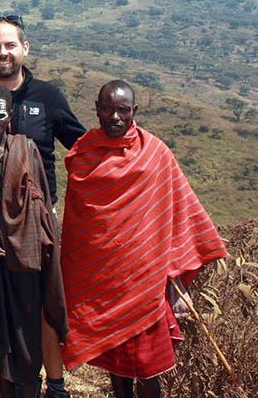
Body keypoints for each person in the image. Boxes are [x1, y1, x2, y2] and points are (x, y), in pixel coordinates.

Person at [61, 80, 227, 398]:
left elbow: (181, 208)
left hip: (145, 283)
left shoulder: (155, 153)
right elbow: (79, 228)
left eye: (123, 110)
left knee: (148, 368)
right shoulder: (84, 154)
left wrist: (175, 265)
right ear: (97, 109)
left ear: (134, 111)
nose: (115, 117)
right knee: (116, 362)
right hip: (103, 284)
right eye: (108, 109)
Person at [0, 14, 83, 398]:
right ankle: (7, 377)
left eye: (10, 45)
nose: (3, 52)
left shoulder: (48, 96)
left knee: (41, 302)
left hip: (35, 224)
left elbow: (81, 147)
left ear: (25, 47)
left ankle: (53, 382)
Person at [0, 84, 67, 398]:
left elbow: (37, 210)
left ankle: (30, 389)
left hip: (21, 260)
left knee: (25, 336)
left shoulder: (26, 151)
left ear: (9, 116)